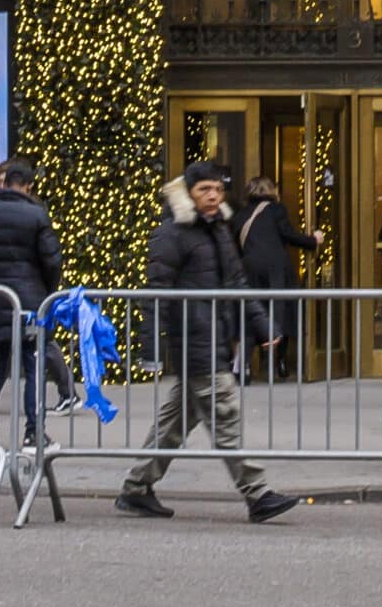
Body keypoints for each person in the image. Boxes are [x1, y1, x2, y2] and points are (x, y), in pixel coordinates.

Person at [116, 163, 300, 524]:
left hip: (212, 337)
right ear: (189, 193)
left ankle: (136, 488)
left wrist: (263, 326)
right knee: (225, 413)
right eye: (204, 189)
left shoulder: (217, 229)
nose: (213, 196)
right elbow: (155, 293)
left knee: (174, 422)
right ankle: (257, 493)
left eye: (217, 189)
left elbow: (236, 283)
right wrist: (150, 349)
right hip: (195, 341)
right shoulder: (172, 233)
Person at [0, 158, 67, 443]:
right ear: (29, 186)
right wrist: (46, 290)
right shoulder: (37, 216)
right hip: (32, 301)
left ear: (5, 183)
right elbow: (52, 261)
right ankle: (33, 432)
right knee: (34, 367)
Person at [237, 176, 321, 374]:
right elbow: (288, 234)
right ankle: (281, 362)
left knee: (252, 312)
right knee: (281, 313)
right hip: (277, 268)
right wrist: (313, 240)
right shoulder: (277, 210)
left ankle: (245, 366)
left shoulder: (241, 214)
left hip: (250, 267)